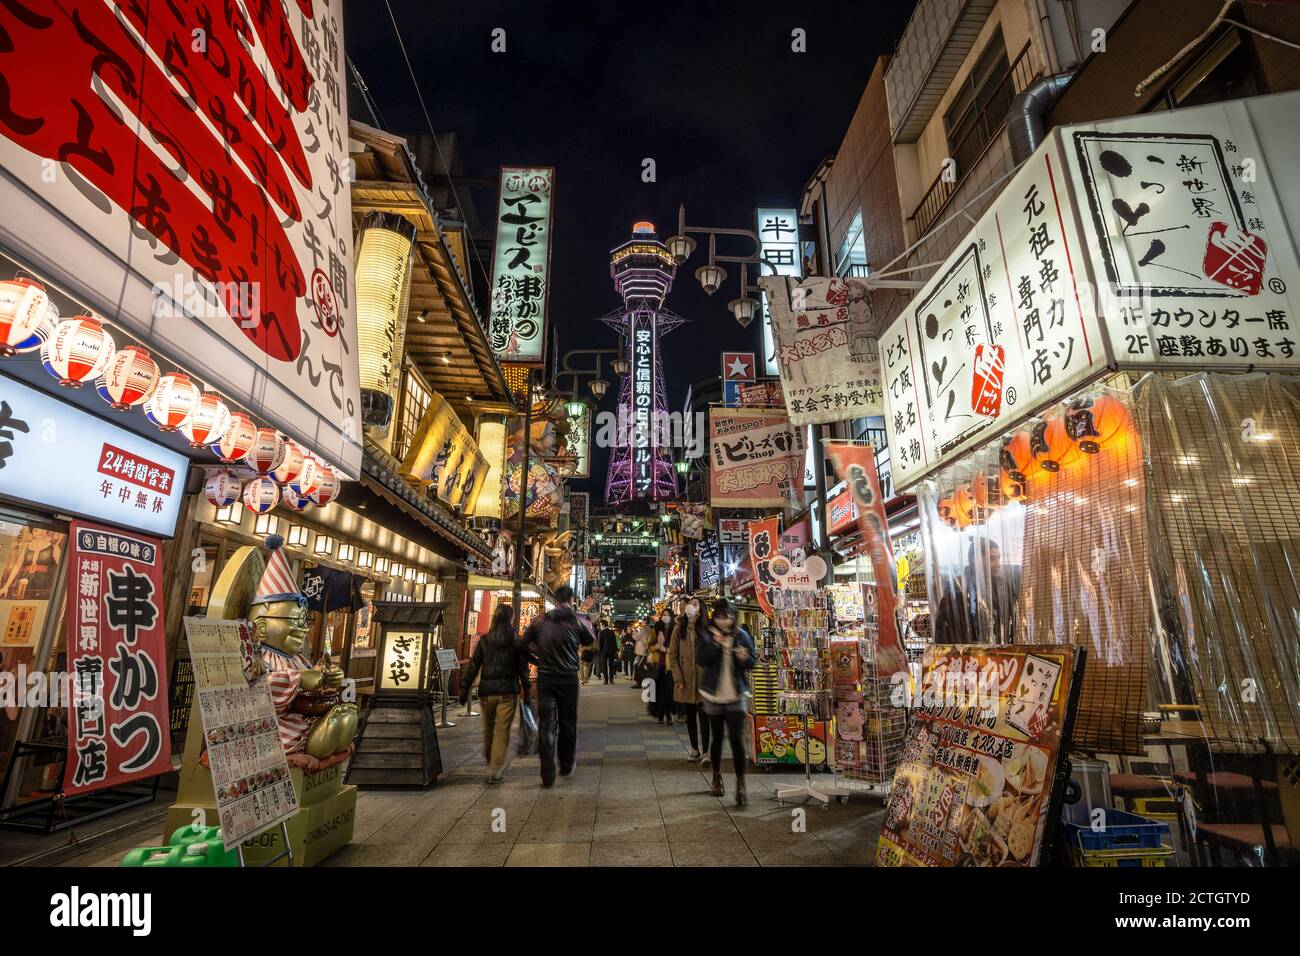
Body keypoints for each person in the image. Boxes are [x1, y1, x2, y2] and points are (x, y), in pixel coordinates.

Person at [520, 585, 594, 787]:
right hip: (568, 677)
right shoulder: (578, 621)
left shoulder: (540, 620)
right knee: (568, 722)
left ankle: (547, 772)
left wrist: (538, 658)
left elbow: (523, 643)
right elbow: (590, 641)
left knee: (546, 724)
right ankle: (566, 763)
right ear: (571, 600)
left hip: (546, 677)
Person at [459, 603, 530, 784]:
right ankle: (495, 768)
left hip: (486, 692)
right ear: (511, 618)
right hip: (508, 692)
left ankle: (490, 761)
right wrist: (527, 689)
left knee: (488, 728)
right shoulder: (515, 641)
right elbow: (523, 669)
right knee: (501, 731)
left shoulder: (485, 640)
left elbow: (474, 665)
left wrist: (464, 688)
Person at [698, 598, 756, 806]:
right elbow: (701, 660)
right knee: (717, 738)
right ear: (716, 617)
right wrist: (716, 645)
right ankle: (716, 776)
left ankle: (741, 785)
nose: (724, 621)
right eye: (721, 617)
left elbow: (752, 661)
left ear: (734, 617)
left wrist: (743, 658)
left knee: (736, 740)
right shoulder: (707, 635)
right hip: (713, 695)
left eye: (728, 617)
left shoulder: (742, 636)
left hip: (736, 695)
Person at [668, 596, 709, 764]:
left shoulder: (707, 628)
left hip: (704, 678)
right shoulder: (680, 628)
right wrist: (678, 677)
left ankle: (706, 751)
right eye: (690, 604)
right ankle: (695, 749)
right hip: (686, 678)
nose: (690, 607)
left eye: (694, 604)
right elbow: (673, 655)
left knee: (704, 715)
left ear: (701, 610)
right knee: (690, 715)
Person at [648, 607, 675, 723]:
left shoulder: (675, 630)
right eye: (664, 614)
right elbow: (649, 646)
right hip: (658, 664)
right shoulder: (656, 629)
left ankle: (668, 714)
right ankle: (660, 714)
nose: (665, 616)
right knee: (658, 691)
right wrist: (657, 647)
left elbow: (677, 649)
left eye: (668, 614)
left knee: (669, 691)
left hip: (670, 666)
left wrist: (666, 649)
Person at [598, 618, 618, 684]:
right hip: (611, 651)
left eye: (600, 625)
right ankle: (611, 679)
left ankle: (606, 680)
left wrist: (599, 651)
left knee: (604, 666)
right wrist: (616, 650)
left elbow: (600, 643)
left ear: (603, 625)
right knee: (611, 665)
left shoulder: (601, 632)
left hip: (604, 651)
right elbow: (614, 642)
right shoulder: (611, 632)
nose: (600, 626)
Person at [632, 618, 650, 689]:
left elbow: (636, 637)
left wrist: (634, 632)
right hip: (646, 650)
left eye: (642, 621)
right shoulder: (649, 629)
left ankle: (639, 682)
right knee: (644, 667)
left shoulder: (644, 629)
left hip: (641, 651)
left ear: (645, 622)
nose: (641, 623)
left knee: (638, 666)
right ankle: (645, 682)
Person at [579, 619, 597, 685]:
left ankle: (584, 679)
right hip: (587, 649)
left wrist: (581, 648)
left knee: (584, 665)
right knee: (586, 665)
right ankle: (585, 679)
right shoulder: (592, 631)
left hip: (585, 649)